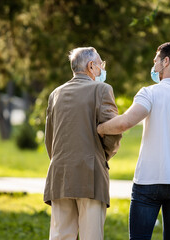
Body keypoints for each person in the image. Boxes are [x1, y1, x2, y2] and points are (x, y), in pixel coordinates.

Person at [97, 42, 170, 240]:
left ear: (166, 62)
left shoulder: (149, 93)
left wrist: (99, 128)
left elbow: (125, 123)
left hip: (148, 182)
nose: (154, 65)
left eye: (156, 60)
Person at [44, 47, 122, 240]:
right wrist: (102, 155)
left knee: (61, 236)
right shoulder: (102, 89)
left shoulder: (55, 94)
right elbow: (113, 132)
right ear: (91, 66)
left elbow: (49, 138)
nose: (102, 69)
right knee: (91, 236)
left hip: (59, 175)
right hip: (91, 175)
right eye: (101, 64)